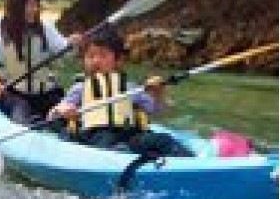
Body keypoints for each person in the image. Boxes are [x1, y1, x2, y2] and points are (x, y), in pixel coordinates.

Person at [46, 24, 191, 157]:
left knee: (163, 140)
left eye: (103, 55)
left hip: (130, 136)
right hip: (95, 138)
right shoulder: (80, 88)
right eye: (90, 56)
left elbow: (157, 112)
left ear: (118, 60)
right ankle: (121, 156)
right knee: (107, 141)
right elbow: (52, 115)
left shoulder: (131, 88)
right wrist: (63, 109)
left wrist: (158, 93)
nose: (96, 60)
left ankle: (192, 163)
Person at [0, 0, 83, 123]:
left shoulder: (45, 30)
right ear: (17, 7)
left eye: (36, 5)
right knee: (21, 114)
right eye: (30, 5)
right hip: (17, 97)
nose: (35, 10)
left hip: (47, 93)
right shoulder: (0, 39)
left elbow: (65, 52)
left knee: (70, 116)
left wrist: (72, 45)